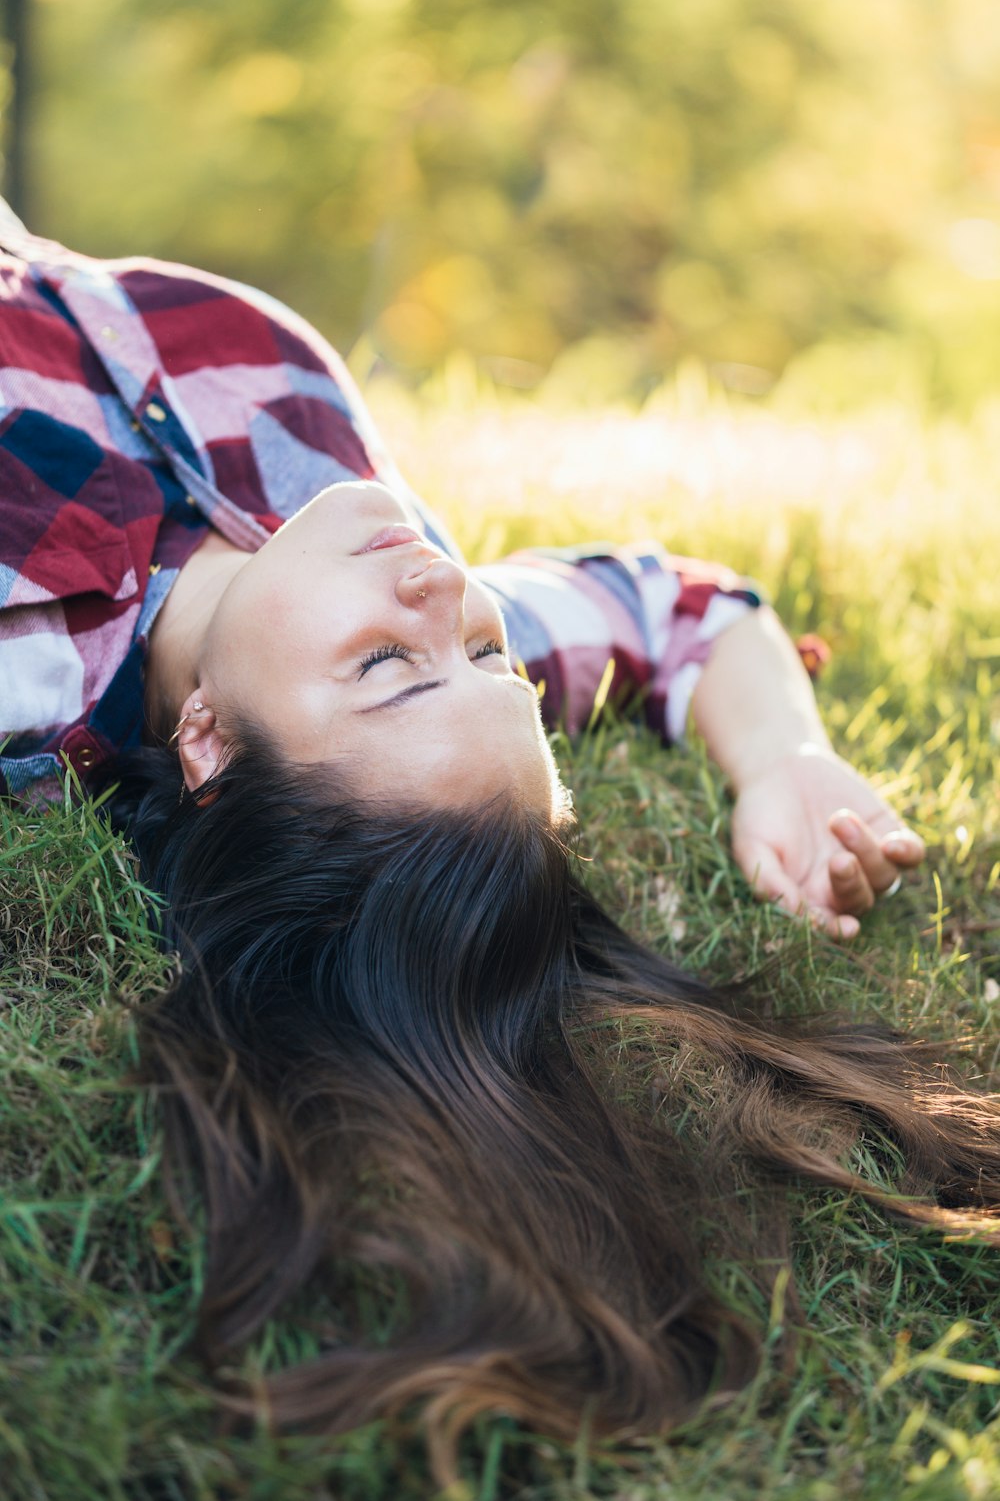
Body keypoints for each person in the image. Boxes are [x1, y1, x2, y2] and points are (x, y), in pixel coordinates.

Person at [3, 200, 998, 1484]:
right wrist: (788, 759)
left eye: (386, 667)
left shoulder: (31, 653)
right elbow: (676, 608)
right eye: (488, 659)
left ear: (207, 747)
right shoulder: (361, 551)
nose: (439, 591)